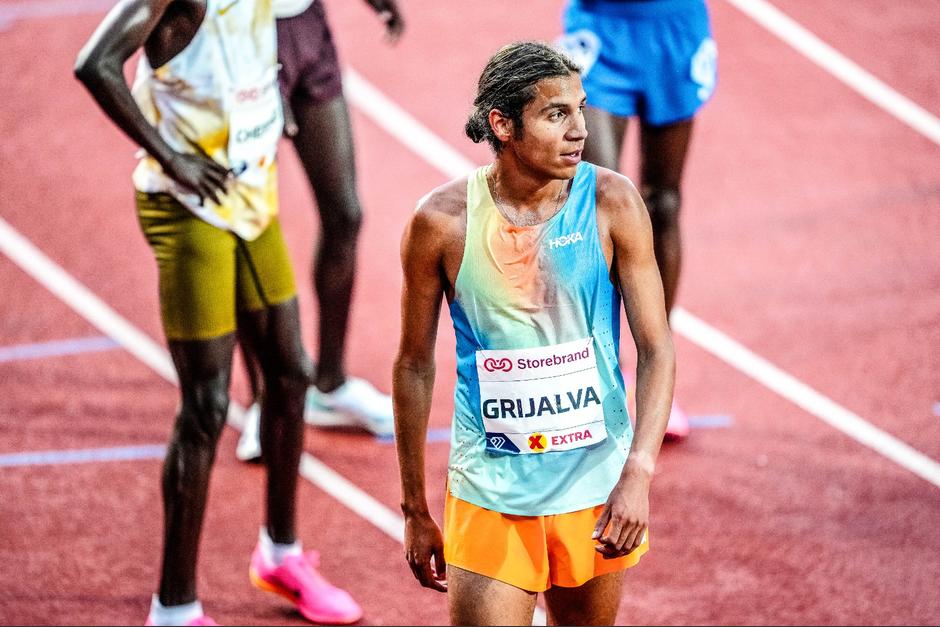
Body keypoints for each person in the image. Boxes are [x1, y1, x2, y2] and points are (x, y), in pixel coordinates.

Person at [74, 1, 362, 624]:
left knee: (290, 377)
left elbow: (257, 47)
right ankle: (173, 607)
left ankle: (281, 557)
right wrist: (169, 156)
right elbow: (94, 64)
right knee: (205, 405)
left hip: (249, 192)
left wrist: (271, 107)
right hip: (186, 205)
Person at [393, 41, 676, 625]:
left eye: (581, 108)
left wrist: (638, 473)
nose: (580, 130)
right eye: (556, 114)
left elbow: (656, 349)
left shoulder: (611, 203)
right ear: (503, 125)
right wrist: (414, 507)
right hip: (490, 493)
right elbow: (413, 365)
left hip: (594, 491)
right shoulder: (442, 223)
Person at [235, 0, 405, 462]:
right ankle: (263, 397)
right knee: (245, 221)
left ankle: (329, 384)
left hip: (307, 27)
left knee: (345, 214)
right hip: (241, 33)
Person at [556, 0, 718, 440]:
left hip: (674, 29)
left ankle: (653, 378)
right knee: (601, 201)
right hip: (601, 27)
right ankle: (597, 372)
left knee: (663, 203)